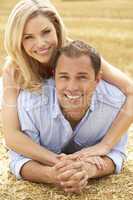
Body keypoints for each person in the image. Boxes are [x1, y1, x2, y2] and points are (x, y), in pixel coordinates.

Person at [2, 0, 133, 172]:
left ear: (56, 28)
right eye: (28, 37)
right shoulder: (14, 72)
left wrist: (105, 146)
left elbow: (131, 90)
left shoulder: (78, 57)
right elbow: (12, 136)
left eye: (46, 32)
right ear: (18, 40)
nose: (41, 43)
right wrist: (58, 161)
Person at [9, 40, 128, 193]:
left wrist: (89, 170)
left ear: (97, 79)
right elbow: (18, 158)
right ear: (54, 76)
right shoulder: (30, 103)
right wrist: (52, 175)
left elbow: (117, 153)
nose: (72, 87)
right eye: (64, 77)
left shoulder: (116, 103)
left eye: (82, 77)